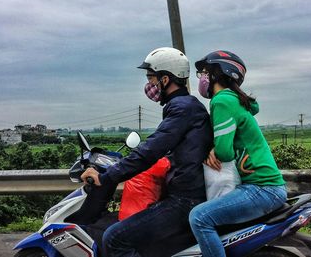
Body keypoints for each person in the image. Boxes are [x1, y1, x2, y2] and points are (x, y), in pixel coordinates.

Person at [80, 47, 213, 257]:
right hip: (185, 193)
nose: (149, 84)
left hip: (185, 200)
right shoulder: (185, 107)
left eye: (151, 78)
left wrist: (105, 177)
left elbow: (149, 151)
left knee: (114, 238)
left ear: (166, 79)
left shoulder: (182, 109)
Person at [189, 50, 287, 257]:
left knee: (199, 218)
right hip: (267, 187)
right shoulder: (236, 100)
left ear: (219, 73)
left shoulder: (222, 101)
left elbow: (224, 152)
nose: (202, 78)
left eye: (205, 72)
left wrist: (213, 150)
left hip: (261, 188)